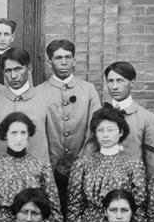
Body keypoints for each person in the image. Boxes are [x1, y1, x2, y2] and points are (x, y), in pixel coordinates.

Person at [33, 39, 102, 212]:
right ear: (49, 62)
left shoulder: (88, 90)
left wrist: (82, 160)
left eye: (68, 57)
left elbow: (96, 128)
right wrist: (48, 165)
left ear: (74, 60)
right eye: (58, 58)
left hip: (83, 168)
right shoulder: (38, 92)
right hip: (49, 170)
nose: (64, 62)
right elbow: (36, 133)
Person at [0, 112, 63, 222]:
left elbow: (54, 208)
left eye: (23, 133)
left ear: (29, 135)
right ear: (5, 135)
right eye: (14, 133)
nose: (19, 138)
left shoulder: (42, 166)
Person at [67, 106, 146, 222]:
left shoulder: (134, 165)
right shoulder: (82, 164)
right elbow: (74, 205)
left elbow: (139, 206)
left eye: (110, 130)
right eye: (100, 130)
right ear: (95, 133)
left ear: (121, 132)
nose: (105, 135)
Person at [81, 61, 154, 179]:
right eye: (110, 81)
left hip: (133, 181)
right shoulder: (99, 114)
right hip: (101, 181)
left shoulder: (146, 117)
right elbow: (89, 150)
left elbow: (153, 161)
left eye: (120, 80)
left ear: (132, 82)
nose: (114, 86)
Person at [0, 48, 50, 162]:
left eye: (18, 69)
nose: (13, 76)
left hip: (38, 169)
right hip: (3, 169)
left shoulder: (45, 100)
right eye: (8, 71)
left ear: (29, 69)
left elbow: (54, 144)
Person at [0, 18, 30, 87]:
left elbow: (28, 87)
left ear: (12, 37)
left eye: (6, 34)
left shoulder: (21, 58)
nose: (2, 39)